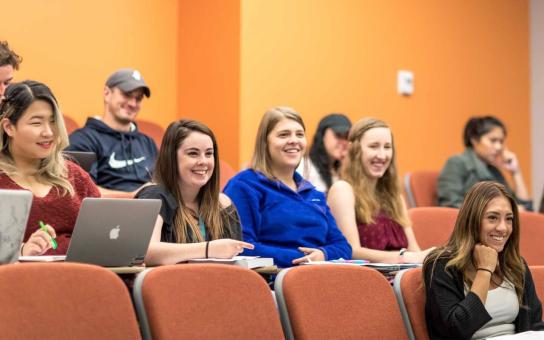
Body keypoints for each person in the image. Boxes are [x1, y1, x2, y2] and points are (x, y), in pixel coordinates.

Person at [224, 106, 352, 268]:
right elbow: (240, 247)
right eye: (283, 135)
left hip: (320, 278)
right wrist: (302, 258)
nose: (294, 140)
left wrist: (322, 254)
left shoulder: (313, 194)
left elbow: (343, 246)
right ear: (265, 143)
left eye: (299, 134)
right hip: (271, 282)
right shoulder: (244, 185)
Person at [423, 181, 542, 339]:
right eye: (492, 218)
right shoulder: (441, 265)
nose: (503, 228)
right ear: (472, 221)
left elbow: (534, 325)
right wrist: (485, 270)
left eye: (509, 219)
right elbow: (456, 329)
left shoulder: (515, 265)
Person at [0, 81, 100, 255]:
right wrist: (21, 251)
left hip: (84, 274)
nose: (49, 132)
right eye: (36, 123)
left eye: (53, 122)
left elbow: (105, 231)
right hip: (23, 278)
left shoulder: (74, 175)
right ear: (9, 127)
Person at [135, 119, 253, 265]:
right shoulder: (154, 196)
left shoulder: (222, 204)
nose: (203, 161)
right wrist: (208, 249)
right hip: (170, 285)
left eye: (209, 154)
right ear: (171, 158)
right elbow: (144, 252)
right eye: (193, 153)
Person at [328, 118, 433, 263]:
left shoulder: (394, 195)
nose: (382, 155)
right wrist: (404, 258)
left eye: (387, 147)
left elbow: (414, 250)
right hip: (368, 278)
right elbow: (351, 251)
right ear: (355, 150)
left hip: (402, 276)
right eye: (374, 146)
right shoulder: (343, 190)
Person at [67, 68, 158, 196]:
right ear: (107, 94)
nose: (133, 103)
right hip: (107, 214)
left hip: (154, 212)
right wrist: (132, 197)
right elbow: (82, 192)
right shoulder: (82, 140)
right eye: (127, 94)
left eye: (138, 98)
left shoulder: (148, 143)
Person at [438, 116, 532, 210]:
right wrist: (499, 211)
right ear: (474, 140)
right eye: (493, 140)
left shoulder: (494, 171)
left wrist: (516, 173)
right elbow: (450, 206)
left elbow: (526, 208)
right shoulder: (457, 163)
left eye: (501, 141)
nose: (499, 147)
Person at [297, 113, 351, 193]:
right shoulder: (305, 167)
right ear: (322, 137)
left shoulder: (342, 168)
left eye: (347, 137)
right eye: (338, 135)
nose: (344, 142)